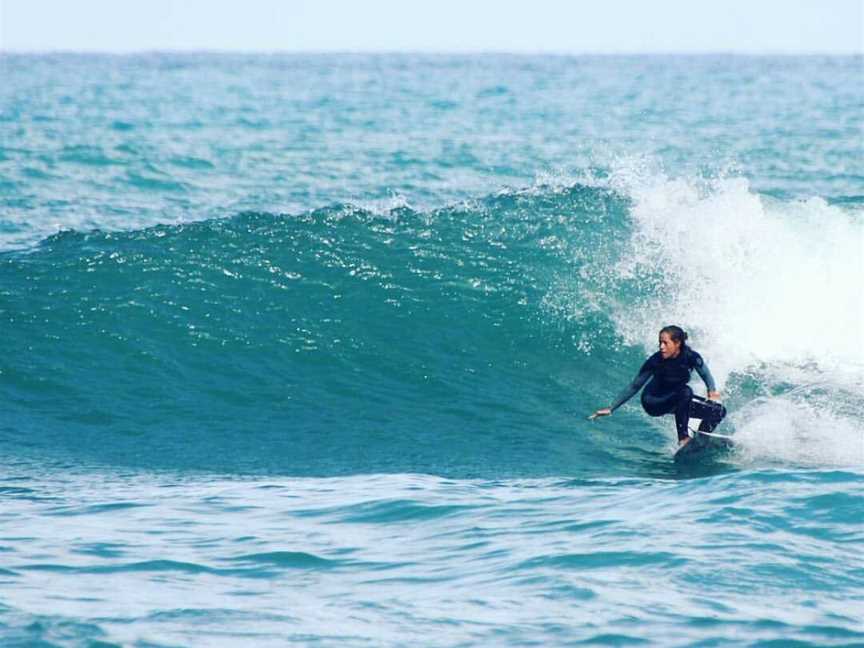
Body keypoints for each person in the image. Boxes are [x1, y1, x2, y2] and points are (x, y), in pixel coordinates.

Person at [589, 325, 726, 447]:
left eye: (665, 343)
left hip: (677, 398)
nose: (661, 347)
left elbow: (705, 374)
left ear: (677, 343)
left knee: (718, 412)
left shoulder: (691, 356)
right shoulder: (656, 361)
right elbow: (635, 386)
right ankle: (683, 438)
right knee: (686, 392)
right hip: (653, 401)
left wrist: (712, 390)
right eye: (660, 342)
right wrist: (612, 408)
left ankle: (701, 438)